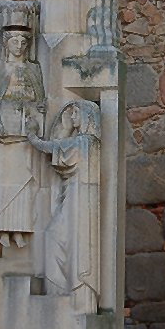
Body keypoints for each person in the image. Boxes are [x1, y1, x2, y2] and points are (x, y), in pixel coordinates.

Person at [27, 99, 102, 314]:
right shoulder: (83, 142)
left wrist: (32, 135)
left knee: (55, 237)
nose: (72, 117)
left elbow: (51, 147)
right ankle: (59, 295)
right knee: (54, 237)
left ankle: (64, 297)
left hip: (78, 203)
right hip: (72, 198)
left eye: (76, 113)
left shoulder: (85, 142)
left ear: (86, 116)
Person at [0, 28, 46, 248]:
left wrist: (36, 116)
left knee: (25, 180)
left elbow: (40, 100)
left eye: (23, 42)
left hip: (26, 131)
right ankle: (4, 229)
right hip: (5, 132)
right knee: (4, 182)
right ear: (6, 43)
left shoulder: (33, 69)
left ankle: (21, 229)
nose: (19, 46)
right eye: (14, 41)